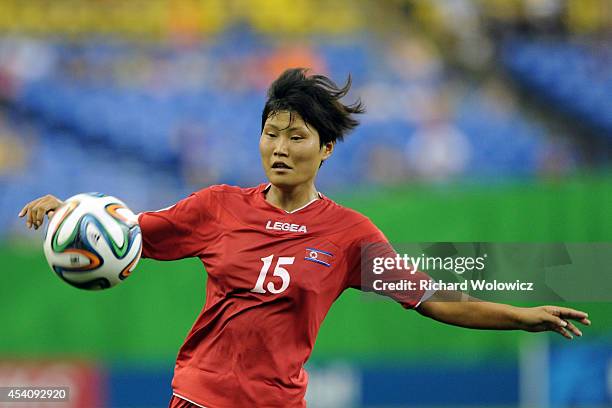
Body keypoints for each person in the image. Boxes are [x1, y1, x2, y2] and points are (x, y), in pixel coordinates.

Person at [19, 68, 590, 408]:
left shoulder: (349, 236)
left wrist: (521, 316)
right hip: (201, 396)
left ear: (326, 149)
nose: (281, 148)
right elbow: (123, 233)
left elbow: (432, 299)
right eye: (271, 134)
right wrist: (67, 208)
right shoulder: (216, 207)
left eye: (297, 136)